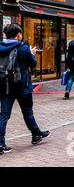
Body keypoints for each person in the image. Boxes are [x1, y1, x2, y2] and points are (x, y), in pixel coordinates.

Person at [0, 24, 50, 153]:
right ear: (18, 35)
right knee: (27, 112)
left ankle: (1, 143)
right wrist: (31, 53)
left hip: (5, 85)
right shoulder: (23, 48)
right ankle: (36, 134)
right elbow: (33, 64)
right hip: (22, 86)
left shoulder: (0, 47)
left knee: (4, 114)